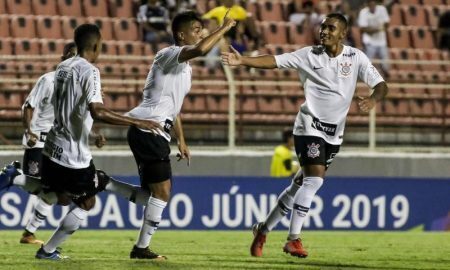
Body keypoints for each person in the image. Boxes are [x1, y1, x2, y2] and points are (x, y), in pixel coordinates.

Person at [222, 13, 388, 258]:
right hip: (308, 126)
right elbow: (275, 60)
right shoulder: (309, 55)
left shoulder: (356, 57)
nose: (324, 32)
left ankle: (263, 229)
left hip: (334, 134)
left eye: (331, 28)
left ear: (343, 33)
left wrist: (373, 100)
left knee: (298, 185)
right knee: (314, 180)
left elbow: (382, 85)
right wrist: (243, 60)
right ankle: (293, 239)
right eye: (323, 28)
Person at [0, 23, 162, 260]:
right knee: (86, 203)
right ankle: (47, 250)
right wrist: (137, 122)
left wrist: (92, 130)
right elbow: (97, 111)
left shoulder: (63, 67)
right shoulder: (90, 71)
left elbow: (75, 109)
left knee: (58, 196)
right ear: (96, 45)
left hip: (52, 147)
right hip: (73, 155)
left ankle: (16, 178)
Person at [124, 10, 236, 260]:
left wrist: (181, 140)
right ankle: (141, 249)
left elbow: (174, 109)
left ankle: (104, 183)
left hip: (155, 131)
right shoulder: (169, 54)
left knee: (153, 195)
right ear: (180, 34)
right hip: (148, 128)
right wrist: (224, 28)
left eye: (201, 30)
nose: (200, 33)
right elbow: (201, 50)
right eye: (196, 30)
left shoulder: (185, 69)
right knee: (162, 193)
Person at [357, 0, 390, 75]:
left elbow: (387, 24)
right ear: (367, 4)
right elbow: (363, 29)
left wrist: (371, 29)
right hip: (369, 42)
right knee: (367, 64)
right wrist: (378, 29)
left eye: (373, 3)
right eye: (370, 3)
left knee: (385, 65)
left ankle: (385, 80)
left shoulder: (382, 9)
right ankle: (364, 78)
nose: (372, 5)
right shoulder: (363, 12)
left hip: (382, 41)